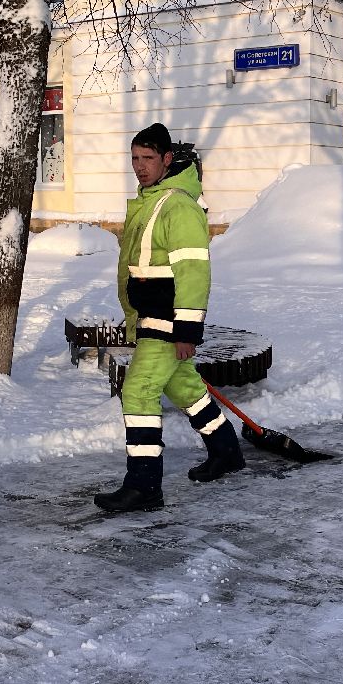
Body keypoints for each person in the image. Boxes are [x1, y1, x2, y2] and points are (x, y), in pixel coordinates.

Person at [94, 123, 245, 513]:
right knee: (184, 388)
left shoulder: (177, 205)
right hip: (151, 316)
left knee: (139, 391)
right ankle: (226, 450)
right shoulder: (151, 200)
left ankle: (144, 486)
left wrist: (187, 331)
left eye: (147, 158)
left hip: (168, 320)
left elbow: (194, 273)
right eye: (134, 159)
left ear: (166, 159)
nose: (139, 167)